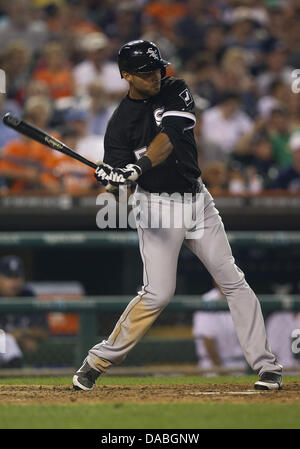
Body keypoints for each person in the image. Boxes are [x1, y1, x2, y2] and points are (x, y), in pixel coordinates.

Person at [73, 40, 282, 392]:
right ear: (126, 76)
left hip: (197, 199)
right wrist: (112, 182)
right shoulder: (120, 124)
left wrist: (134, 168)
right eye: (144, 72)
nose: (154, 75)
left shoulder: (174, 88)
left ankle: (267, 367)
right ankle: (96, 362)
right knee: (157, 294)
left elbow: (169, 138)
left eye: (156, 68)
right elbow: (118, 193)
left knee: (232, 280)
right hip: (156, 205)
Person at [0, 255, 48, 368]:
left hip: (14, 354)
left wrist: (21, 334)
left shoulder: (28, 295)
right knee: (7, 340)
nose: (14, 282)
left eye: (17, 277)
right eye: (9, 277)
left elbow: (43, 331)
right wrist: (15, 337)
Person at [193, 284, 247, 375]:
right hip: (212, 367)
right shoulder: (207, 300)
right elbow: (207, 340)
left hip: (240, 364)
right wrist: (221, 370)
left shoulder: (243, 298)